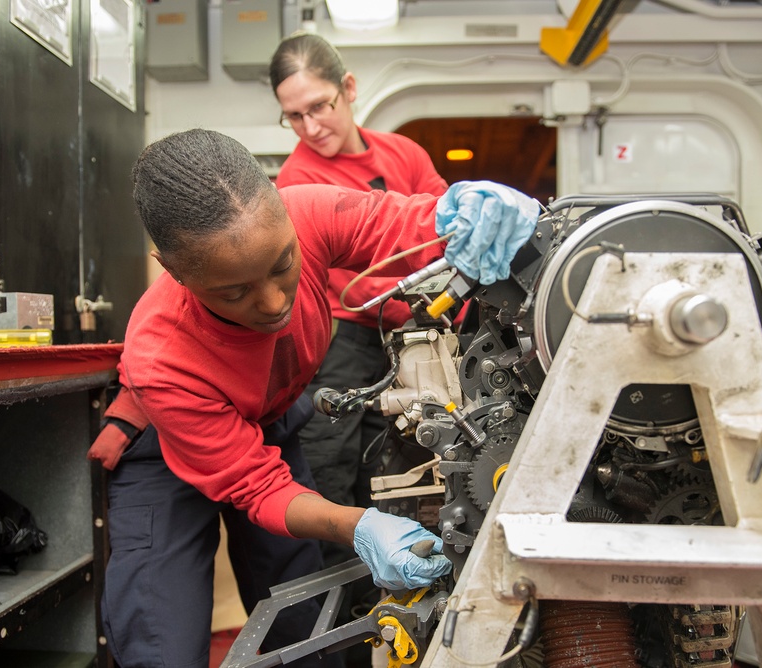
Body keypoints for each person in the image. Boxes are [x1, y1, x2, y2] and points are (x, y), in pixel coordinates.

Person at [94, 128, 539, 668]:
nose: (275, 300)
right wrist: (359, 526)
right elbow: (255, 486)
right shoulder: (161, 356)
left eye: (283, 264)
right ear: (174, 270)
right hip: (164, 445)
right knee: (161, 639)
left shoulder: (307, 211)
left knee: (304, 623)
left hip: (270, 423)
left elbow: (407, 224)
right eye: (235, 292)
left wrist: (466, 212)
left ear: (285, 215)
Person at [269, 33, 448, 528]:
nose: (310, 126)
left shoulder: (404, 154)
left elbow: (443, 225)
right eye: (294, 116)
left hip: (412, 334)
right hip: (343, 339)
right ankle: (343, 589)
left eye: (318, 106)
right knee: (332, 463)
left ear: (347, 88)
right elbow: (353, 279)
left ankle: (392, 589)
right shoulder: (298, 178)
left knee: (398, 461)